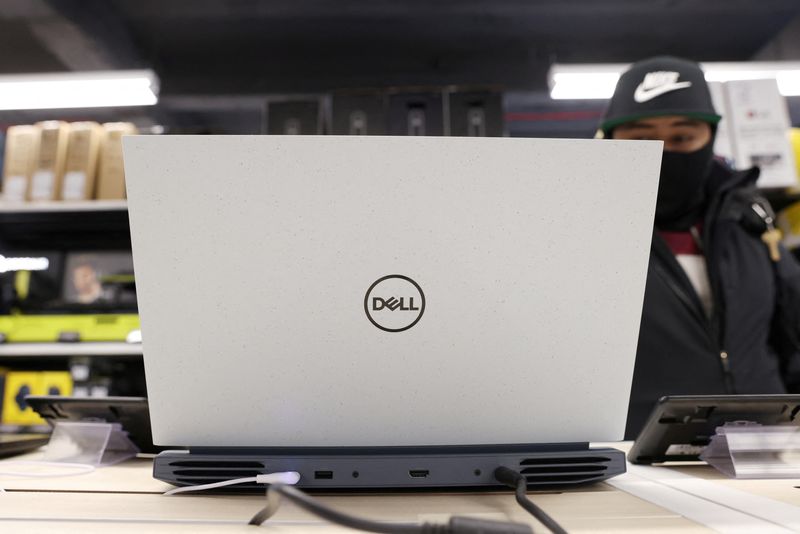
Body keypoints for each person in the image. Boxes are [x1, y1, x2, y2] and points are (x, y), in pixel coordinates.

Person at [599, 56, 800, 438]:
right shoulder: (580, 237)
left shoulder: (750, 221)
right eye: (641, 139)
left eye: (682, 138)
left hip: (763, 450)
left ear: (709, 138)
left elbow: (791, 332)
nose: (663, 151)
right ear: (610, 140)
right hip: (631, 457)